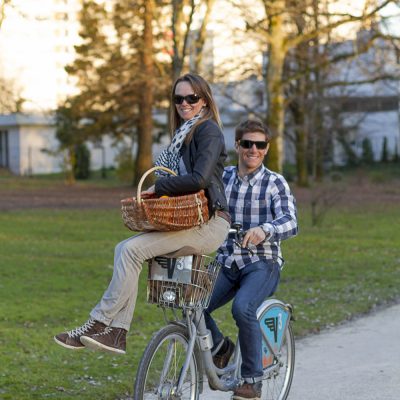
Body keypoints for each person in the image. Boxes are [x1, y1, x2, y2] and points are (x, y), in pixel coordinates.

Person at [54, 73, 231, 355]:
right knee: (124, 248)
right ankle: (116, 332)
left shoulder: (207, 131)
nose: (184, 103)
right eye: (178, 99)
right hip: (187, 219)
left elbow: (199, 179)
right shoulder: (183, 133)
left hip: (209, 223)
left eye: (191, 98)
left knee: (131, 251)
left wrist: (160, 186)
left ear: (205, 101)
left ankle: (101, 323)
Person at [204, 119, 298, 400]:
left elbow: (291, 221)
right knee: (194, 304)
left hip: (262, 262)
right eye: (247, 143)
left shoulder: (274, 182)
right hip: (227, 259)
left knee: (243, 308)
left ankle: (252, 380)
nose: (253, 149)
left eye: (259, 144)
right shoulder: (224, 177)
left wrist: (265, 229)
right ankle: (221, 348)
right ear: (237, 146)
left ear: (266, 148)